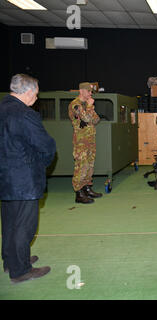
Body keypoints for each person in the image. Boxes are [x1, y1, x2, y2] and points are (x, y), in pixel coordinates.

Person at [0, 74, 56, 284]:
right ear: (29, 92)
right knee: (24, 225)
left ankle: (11, 260)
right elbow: (46, 145)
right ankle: (21, 270)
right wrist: (41, 164)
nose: (36, 97)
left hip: (4, 177)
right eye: (37, 93)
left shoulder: (2, 108)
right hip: (23, 179)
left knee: (9, 222)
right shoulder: (25, 114)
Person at [68, 82, 102, 204]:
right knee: (81, 166)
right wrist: (89, 107)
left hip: (90, 141)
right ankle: (79, 193)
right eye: (89, 91)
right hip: (81, 142)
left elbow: (96, 120)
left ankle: (87, 188)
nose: (90, 93)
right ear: (82, 91)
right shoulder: (75, 105)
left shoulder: (87, 105)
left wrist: (90, 108)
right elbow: (87, 119)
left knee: (89, 166)